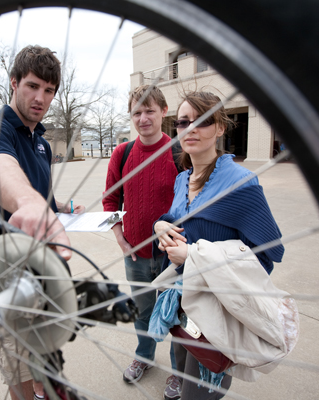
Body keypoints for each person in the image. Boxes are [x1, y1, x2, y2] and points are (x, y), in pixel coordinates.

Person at [0, 45, 84, 400]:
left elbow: (39, 190)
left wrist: (56, 205)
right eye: (32, 86)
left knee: (47, 358)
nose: (40, 98)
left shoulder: (42, 144)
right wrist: (30, 203)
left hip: (39, 263)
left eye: (49, 90)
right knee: (18, 370)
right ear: (14, 82)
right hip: (3, 267)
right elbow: (2, 169)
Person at [153, 91, 284, 398]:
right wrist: (162, 224)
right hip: (184, 304)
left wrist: (195, 256)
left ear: (221, 128)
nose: (190, 129)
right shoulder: (182, 179)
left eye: (201, 121)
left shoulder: (240, 182)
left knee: (200, 393)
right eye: (183, 122)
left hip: (216, 311)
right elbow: (177, 217)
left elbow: (268, 255)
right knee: (183, 376)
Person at [102, 85, 182, 399]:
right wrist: (120, 238)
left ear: (164, 111)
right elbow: (110, 201)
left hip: (172, 256)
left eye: (150, 110)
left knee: (177, 316)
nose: (143, 118)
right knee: (142, 312)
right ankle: (144, 356)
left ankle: (178, 373)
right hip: (135, 256)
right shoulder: (122, 153)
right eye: (137, 112)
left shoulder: (179, 151)